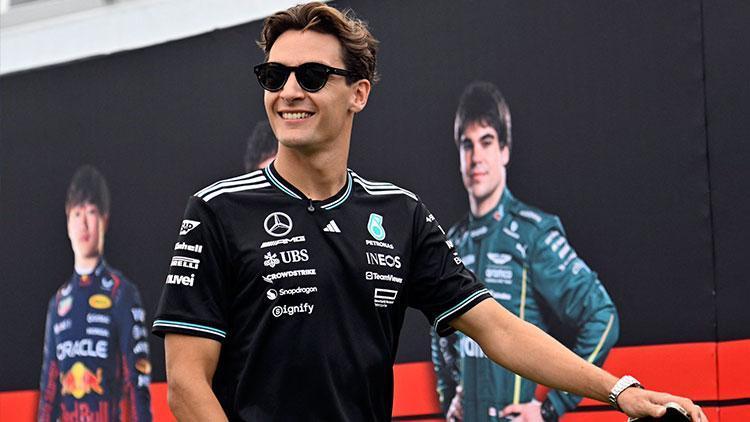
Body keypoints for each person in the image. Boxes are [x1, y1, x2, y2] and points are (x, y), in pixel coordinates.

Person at [151, 3, 707, 421]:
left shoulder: (399, 214)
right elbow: (185, 386)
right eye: (274, 77)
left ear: (358, 93)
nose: (289, 91)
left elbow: (497, 328)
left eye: (312, 76)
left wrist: (620, 391)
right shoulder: (217, 211)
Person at [431, 81, 620, 422]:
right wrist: (450, 395)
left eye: (487, 142)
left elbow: (602, 317)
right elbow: (440, 331)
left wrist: (550, 407)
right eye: (467, 145)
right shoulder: (452, 241)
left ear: (504, 151)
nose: (476, 157)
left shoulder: (533, 234)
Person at [38, 165, 152, 421]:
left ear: (104, 220)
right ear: (68, 222)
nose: (84, 223)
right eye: (77, 213)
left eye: (91, 212)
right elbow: (49, 391)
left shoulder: (122, 293)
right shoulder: (58, 303)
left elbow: (138, 382)